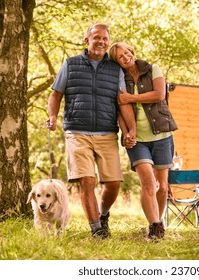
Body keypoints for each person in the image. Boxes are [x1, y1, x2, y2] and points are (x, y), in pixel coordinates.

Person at [47, 24, 136, 239]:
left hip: (106, 132)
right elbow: (56, 95)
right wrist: (52, 116)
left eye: (105, 39)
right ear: (87, 40)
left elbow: (122, 101)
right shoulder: (71, 64)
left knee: (113, 182)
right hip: (77, 131)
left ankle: (103, 214)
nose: (101, 42)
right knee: (87, 181)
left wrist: (130, 129)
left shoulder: (116, 70)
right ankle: (97, 229)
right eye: (96, 37)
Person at [109, 41, 178, 240]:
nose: (126, 57)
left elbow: (159, 94)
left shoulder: (152, 69)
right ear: (117, 62)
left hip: (162, 135)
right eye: (120, 57)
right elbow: (119, 111)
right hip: (138, 140)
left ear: (133, 51)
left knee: (162, 186)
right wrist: (126, 132)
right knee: (148, 181)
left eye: (127, 52)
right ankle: (154, 227)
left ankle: (159, 221)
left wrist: (131, 98)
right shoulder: (119, 80)